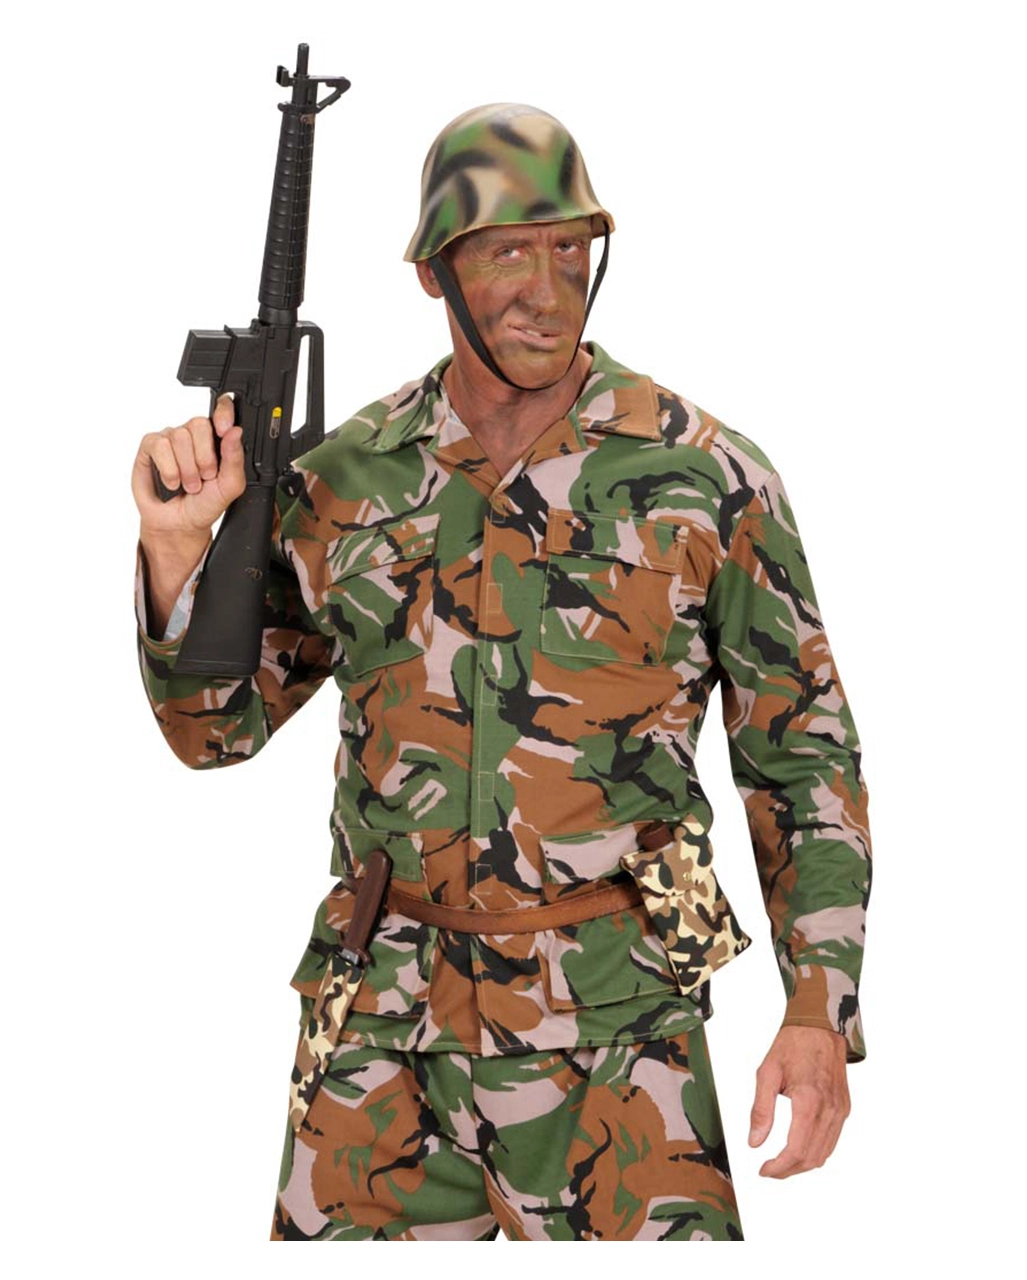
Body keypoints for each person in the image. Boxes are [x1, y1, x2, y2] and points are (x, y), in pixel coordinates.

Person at [131, 103, 872, 1242]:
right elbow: (211, 731)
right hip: (382, 1037)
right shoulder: (343, 483)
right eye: (503, 253)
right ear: (433, 272)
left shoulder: (706, 477)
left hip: (620, 1039)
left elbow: (804, 758)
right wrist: (176, 555)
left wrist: (817, 1006)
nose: (546, 287)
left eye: (570, 247)